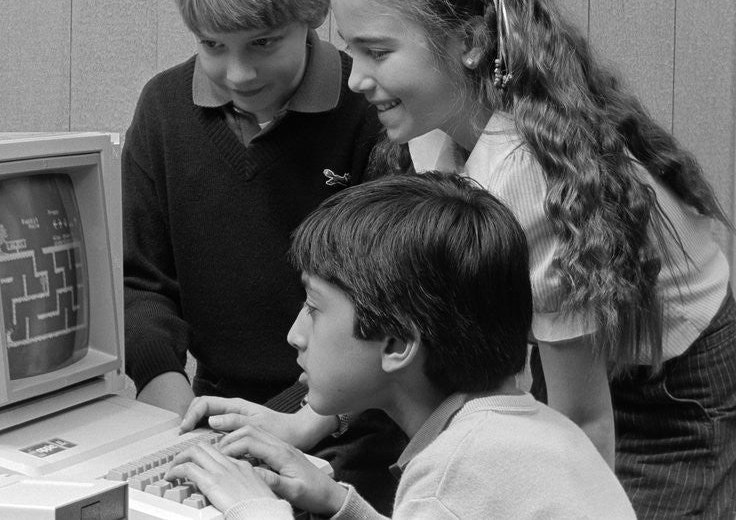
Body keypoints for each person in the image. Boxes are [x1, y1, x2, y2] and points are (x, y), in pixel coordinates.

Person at [320, 0, 735, 518]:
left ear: (468, 41)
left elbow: (583, 428)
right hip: (568, 372)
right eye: (349, 50)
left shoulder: (525, 177)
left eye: (377, 52)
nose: (354, 78)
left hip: (667, 400)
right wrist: (304, 425)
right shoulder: (432, 125)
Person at [121, 0, 402, 512]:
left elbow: (388, 313)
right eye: (213, 46)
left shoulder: (372, 114)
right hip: (213, 415)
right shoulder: (163, 109)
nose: (238, 73)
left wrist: (296, 423)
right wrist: (180, 417)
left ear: (312, 12)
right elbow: (142, 286)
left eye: (264, 43)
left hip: (354, 427)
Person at [166, 173, 636, 519]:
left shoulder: (454, 472)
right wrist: (340, 505)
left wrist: (256, 510)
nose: (295, 335)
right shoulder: (537, 432)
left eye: (312, 307)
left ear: (396, 344)